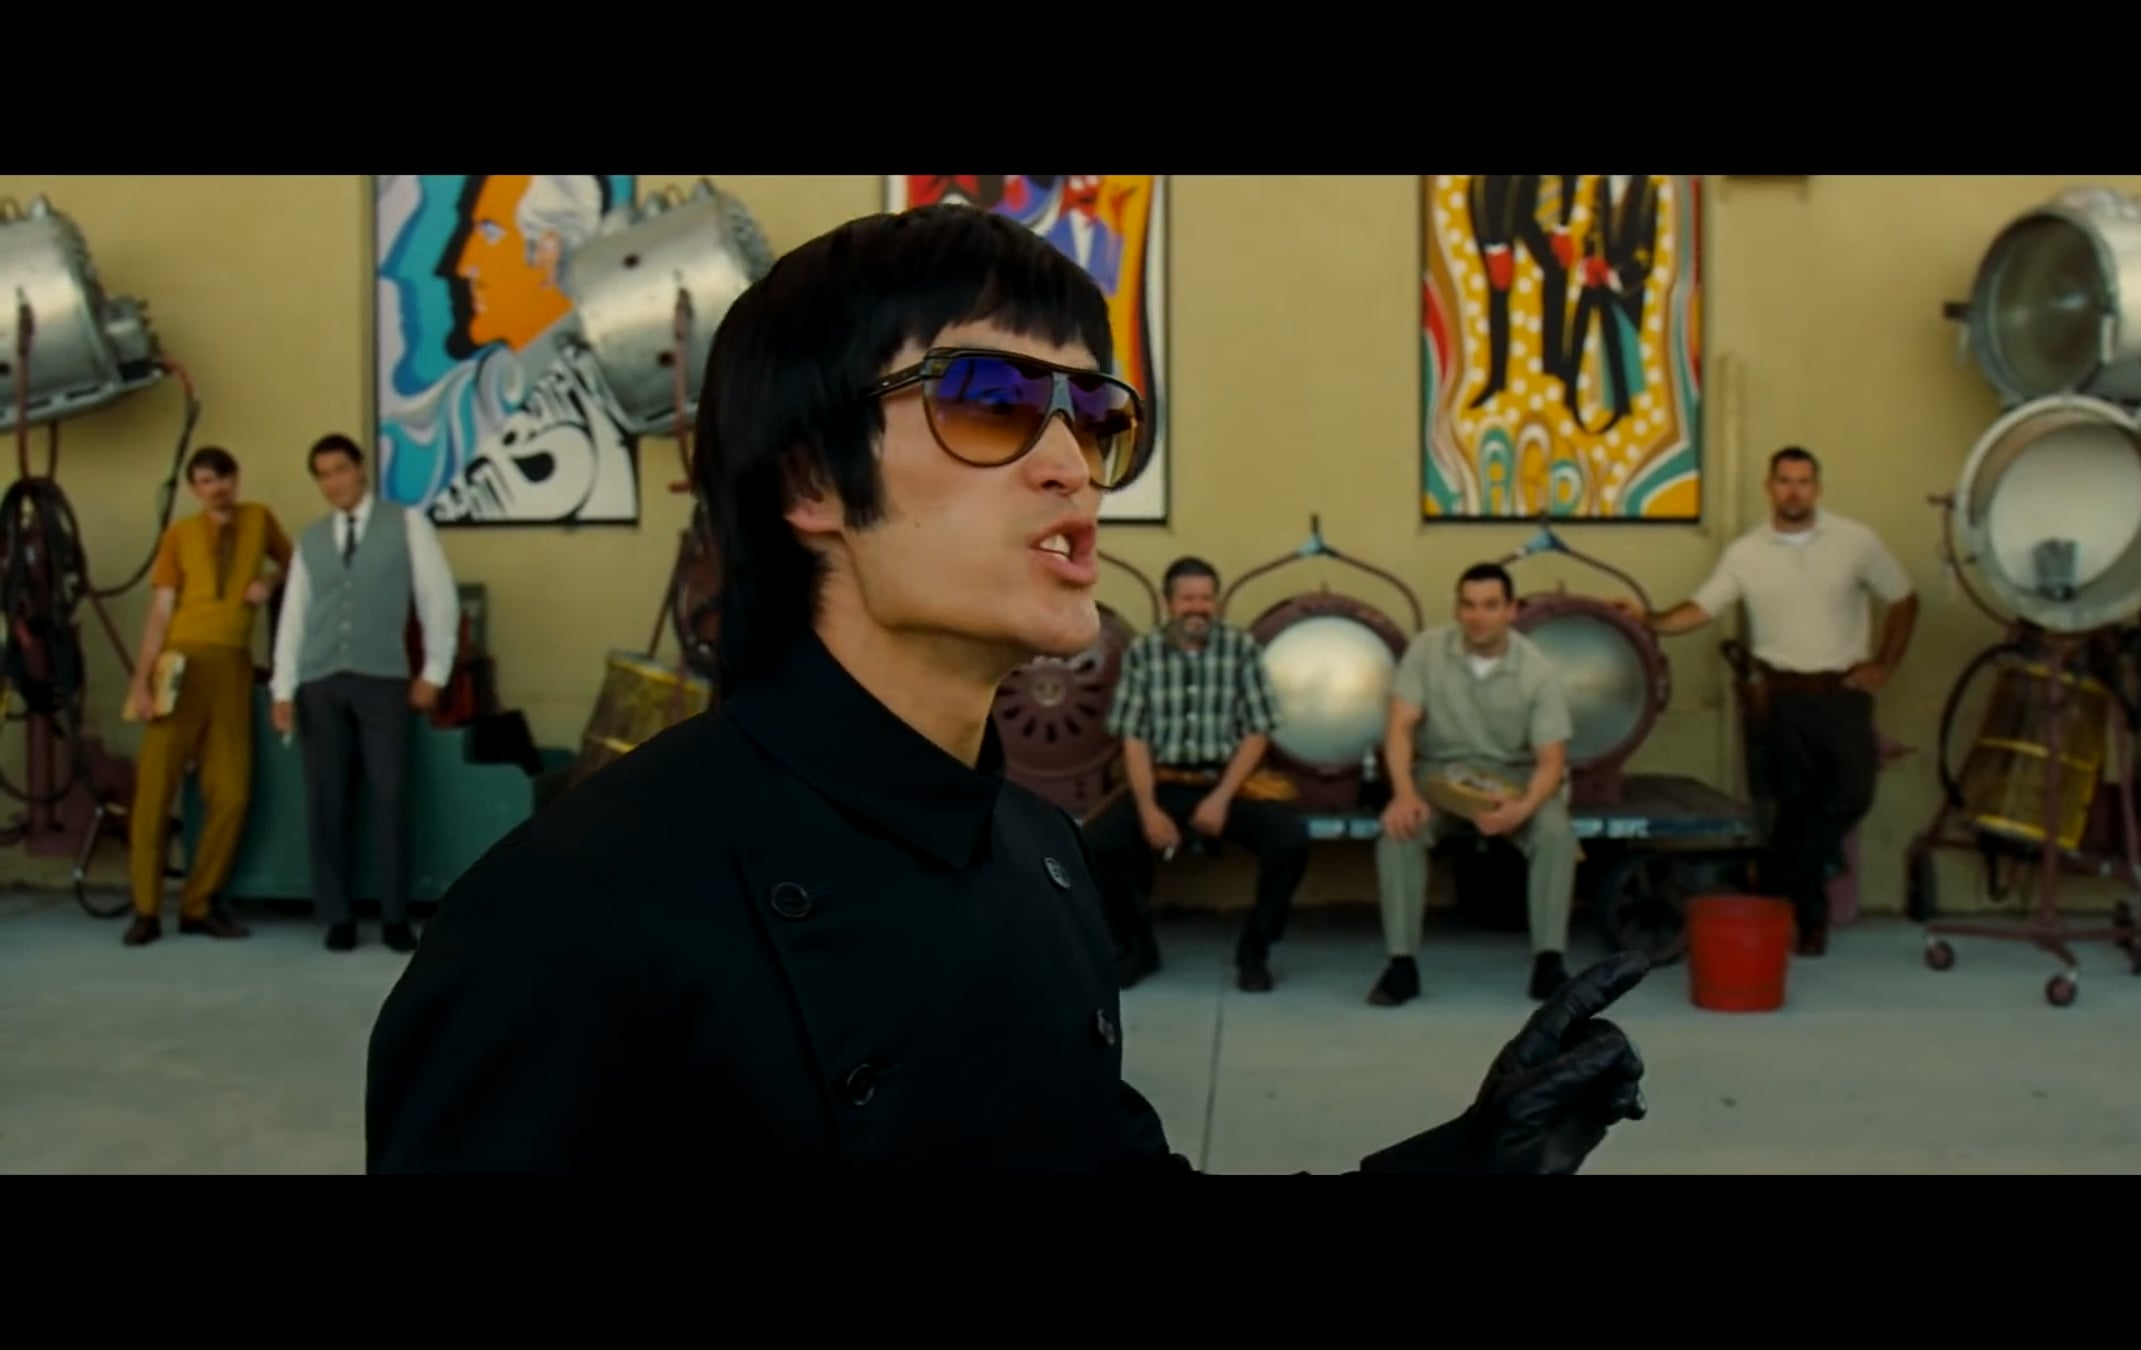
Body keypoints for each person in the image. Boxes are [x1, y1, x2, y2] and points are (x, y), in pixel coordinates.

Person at [362, 204, 1651, 1173]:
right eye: (990, 400)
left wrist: (1464, 1163)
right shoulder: (567, 922)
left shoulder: (1040, 858)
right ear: (810, 482)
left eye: (1096, 416)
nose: (1071, 465)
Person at [1612, 445, 1917, 957]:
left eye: (1803, 481)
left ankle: (1770, 875)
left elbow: (1905, 598)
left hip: (1843, 694)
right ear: (1769, 487)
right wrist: (1649, 619)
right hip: (1781, 699)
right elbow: (1701, 609)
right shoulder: (1746, 553)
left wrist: (1885, 664)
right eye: (1784, 481)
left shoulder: (1855, 541)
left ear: (1817, 488)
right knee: (1791, 808)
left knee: (1852, 795)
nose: (1794, 491)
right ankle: (1808, 920)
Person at [269, 433, 460, 955]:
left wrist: (435, 671)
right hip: (320, 681)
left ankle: (395, 915)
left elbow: (438, 598)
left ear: (360, 470)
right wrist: (283, 688)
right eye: (323, 475)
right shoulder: (311, 539)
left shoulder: (406, 524)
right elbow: (294, 617)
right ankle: (338, 917)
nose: (333, 482)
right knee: (326, 800)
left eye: (340, 470)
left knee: (391, 794)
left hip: (382, 678)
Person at [1087, 555, 1308, 992]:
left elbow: (1257, 732)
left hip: (1229, 784)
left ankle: (1255, 951)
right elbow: (1134, 738)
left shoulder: (1241, 649)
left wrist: (1221, 798)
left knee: (1290, 839)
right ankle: (1135, 946)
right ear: (1169, 603)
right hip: (1164, 781)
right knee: (1099, 843)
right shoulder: (1144, 653)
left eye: (1206, 598)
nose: (1198, 608)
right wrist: (1149, 810)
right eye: (1188, 598)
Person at [1370, 563, 1578, 1007]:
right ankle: (1401, 965)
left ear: (1511, 610)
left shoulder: (1537, 670)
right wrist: (1403, 794)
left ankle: (1549, 961)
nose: (1478, 616)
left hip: (1513, 779)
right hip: (1439, 775)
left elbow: (1551, 761)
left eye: (1490, 606)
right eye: (1468, 605)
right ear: (1457, 608)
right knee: (1399, 832)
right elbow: (1400, 727)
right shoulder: (1427, 651)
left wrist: (1521, 810)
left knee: (1555, 832)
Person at [121, 447, 292, 947]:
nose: (216, 488)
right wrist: (141, 680)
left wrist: (269, 580)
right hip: (180, 663)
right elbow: (160, 611)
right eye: (204, 481)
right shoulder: (179, 535)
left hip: (233, 666)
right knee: (155, 790)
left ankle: (198, 903)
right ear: (194, 489)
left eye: (222, 478)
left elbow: (299, 565)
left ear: (236, 479)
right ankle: (146, 909)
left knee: (232, 793)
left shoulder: (259, 519)